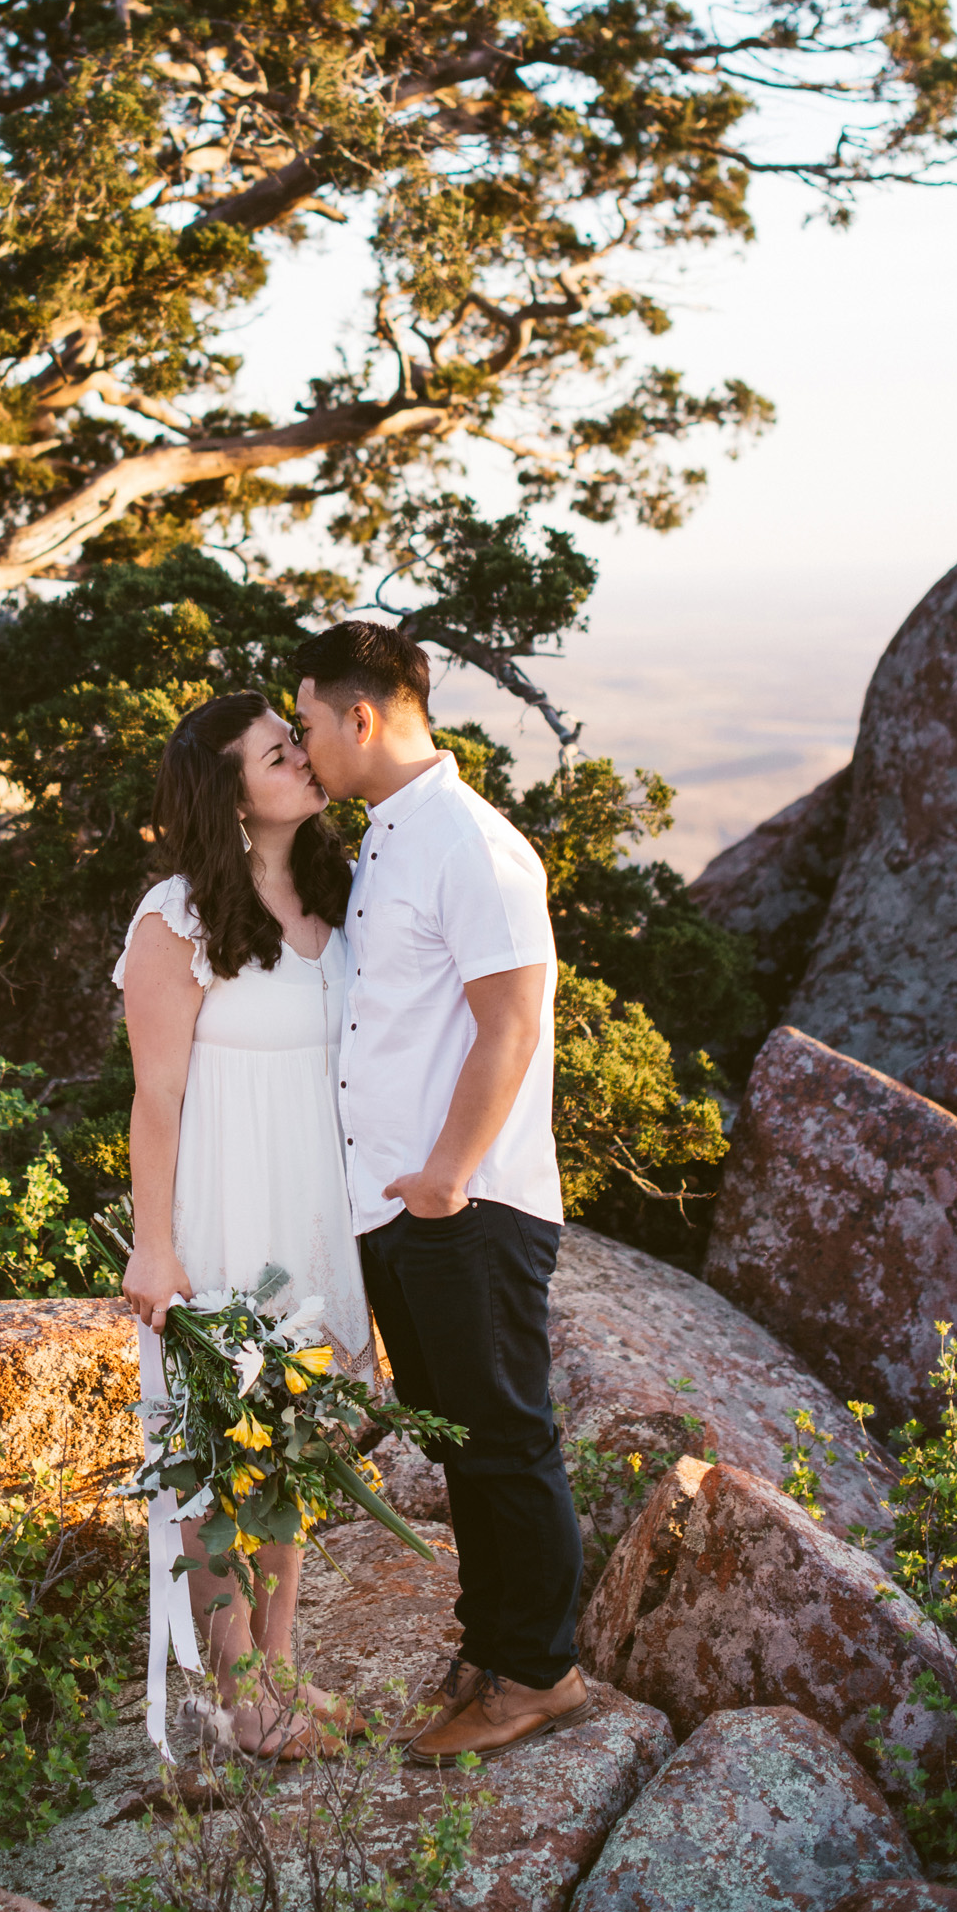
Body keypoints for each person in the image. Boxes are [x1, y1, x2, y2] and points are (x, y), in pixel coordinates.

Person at [294, 621, 590, 1763]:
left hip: (465, 1206)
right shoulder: (385, 841)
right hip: (407, 1209)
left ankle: (538, 1675)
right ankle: (495, 1643)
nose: (306, 745)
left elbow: (513, 1019)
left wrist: (449, 1178)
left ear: (358, 716)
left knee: (507, 1439)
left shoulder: (471, 842)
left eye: (310, 722)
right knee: (463, 1441)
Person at [117, 690, 375, 1760]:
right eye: (280, 756)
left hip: (317, 1205)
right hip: (224, 1201)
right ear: (230, 796)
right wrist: (153, 1243)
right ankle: (235, 1695)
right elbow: (156, 1097)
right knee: (223, 1456)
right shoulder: (173, 918)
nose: (306, 765)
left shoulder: (338, 892)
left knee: (297, 1448)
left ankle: (277, 1670)